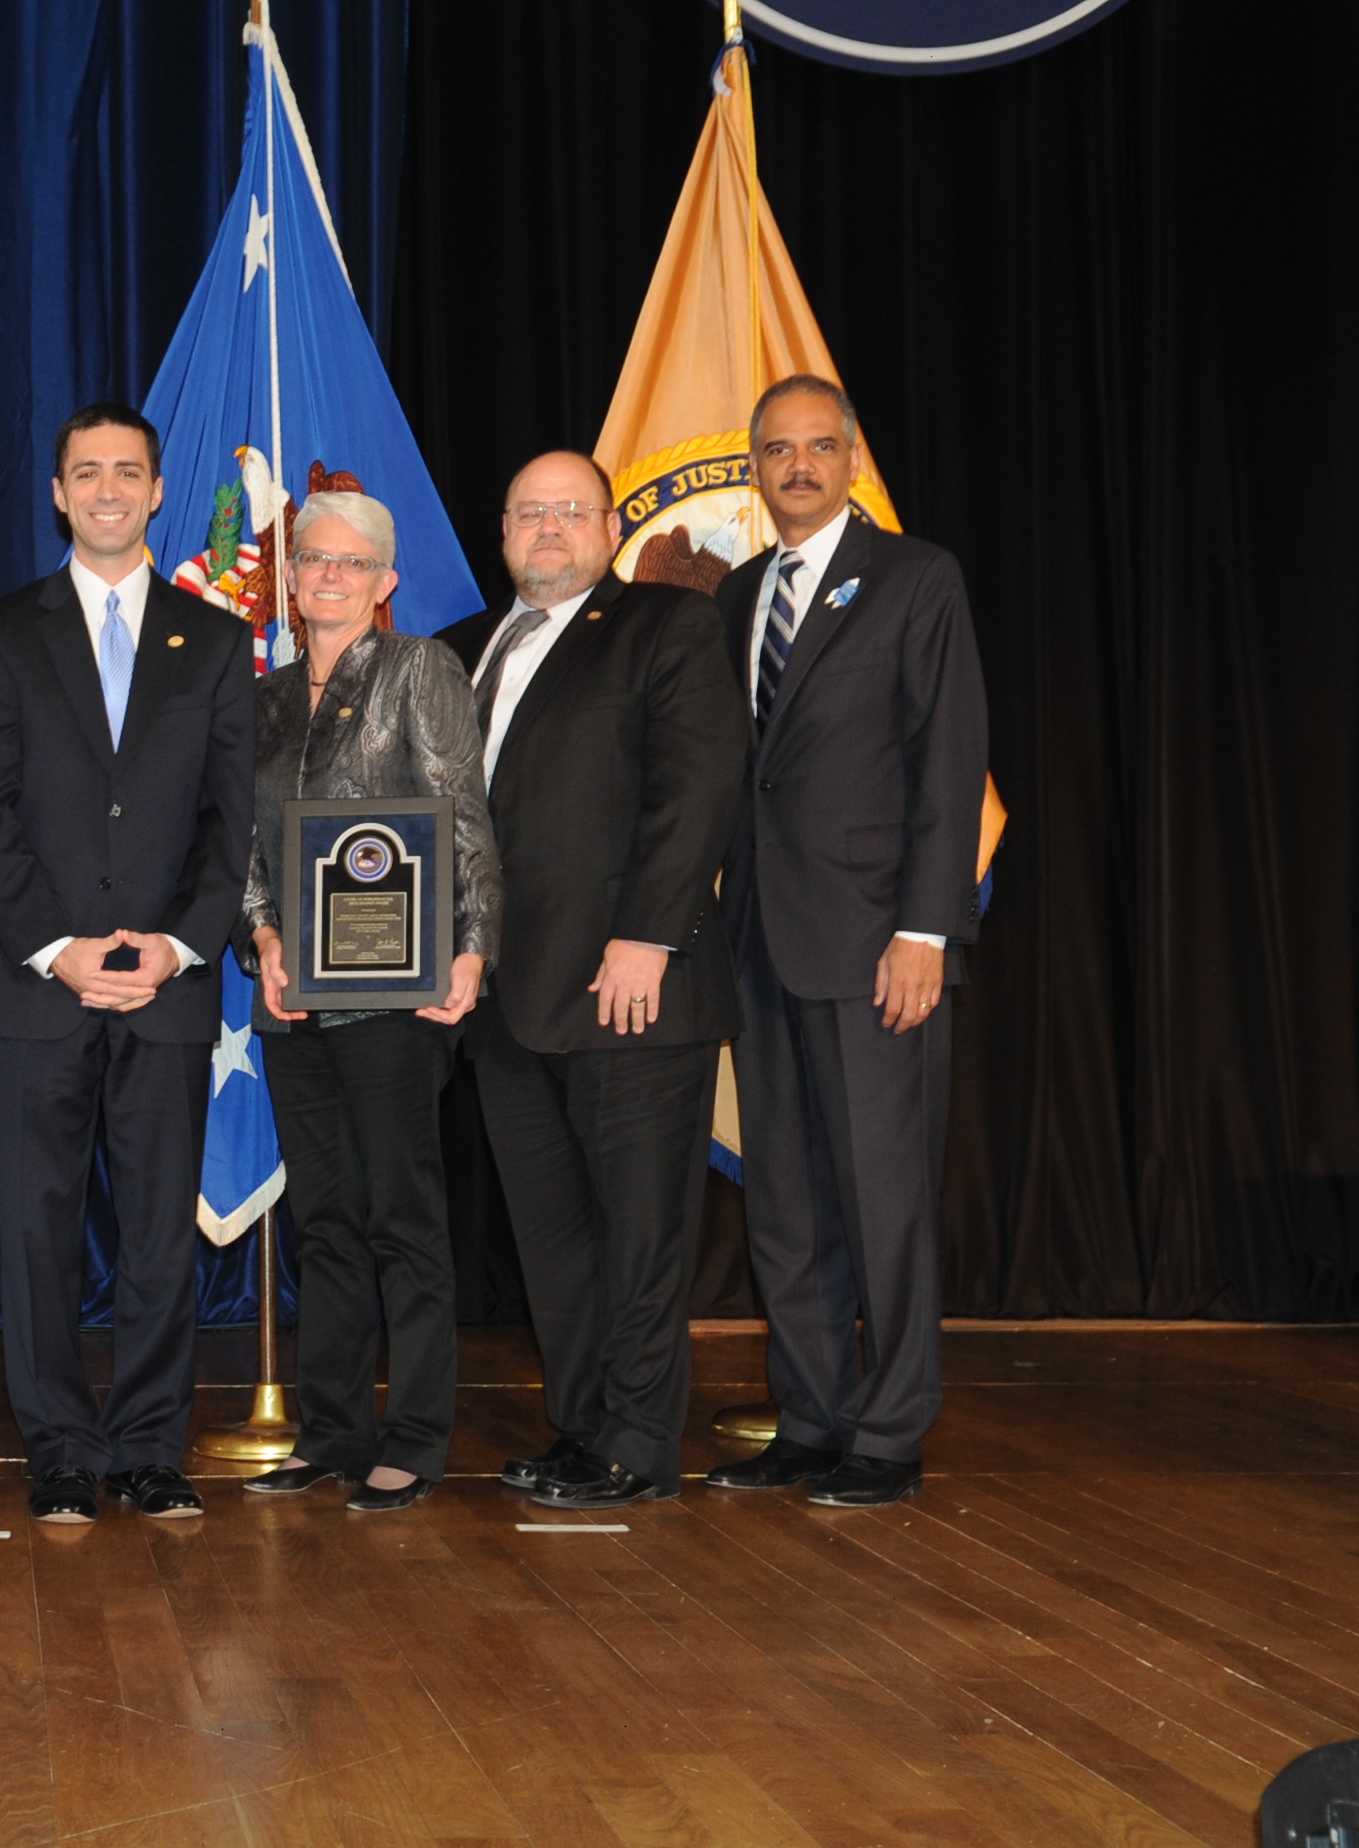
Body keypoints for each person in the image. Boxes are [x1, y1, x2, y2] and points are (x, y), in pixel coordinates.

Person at [436, 451, 747, 1511]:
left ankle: (641, 1443)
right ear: (504, 532)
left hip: (629, 990)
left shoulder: (667, 629)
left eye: (571, 511)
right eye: (529, 513)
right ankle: (582, 1428)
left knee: (640, 1232)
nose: (549, 529)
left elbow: (697, 788)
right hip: (503, 1004)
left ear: (610, 527)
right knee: (555, 1240)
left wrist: (648, 938)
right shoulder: (461, 650)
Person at [0, 401, 254, 1524]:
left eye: (127, 472)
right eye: (86, 472)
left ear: (159, 489)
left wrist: (178, 945)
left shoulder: (215, 640)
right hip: (37, 990)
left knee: (154, 1233)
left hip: (169, 990)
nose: (107, 490)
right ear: (56, 492)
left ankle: (145, 1446)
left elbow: (234, 819)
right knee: (34, 1233)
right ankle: (59, 1452)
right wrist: (58, 951)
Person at [703, 376, 988, 1508]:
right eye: (779, 450)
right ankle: (812, 1418)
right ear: (757, 467)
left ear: (852, 456)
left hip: (878, 947)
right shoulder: (734, 597)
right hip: (760, 947)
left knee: (883, 1200)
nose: (800, 467)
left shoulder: (915, 578)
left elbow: (948, 760)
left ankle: (889, 1430)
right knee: (785, 1201)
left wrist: (926, 929)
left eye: (821, 447)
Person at [232, 492, 498, 1514]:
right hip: (293, 1003)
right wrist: (261, 936)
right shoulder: (258, 700)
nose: (330, 576)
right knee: (326, 1223)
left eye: (353, 563)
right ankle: (331, 1432)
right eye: (314, 560)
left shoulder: (417, 670)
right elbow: (248, 855)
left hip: (395, 1000)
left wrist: (473, 949)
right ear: (291, 579)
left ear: (387, 582)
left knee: (401, 1220)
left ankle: (417, 1433)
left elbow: (460, 814)